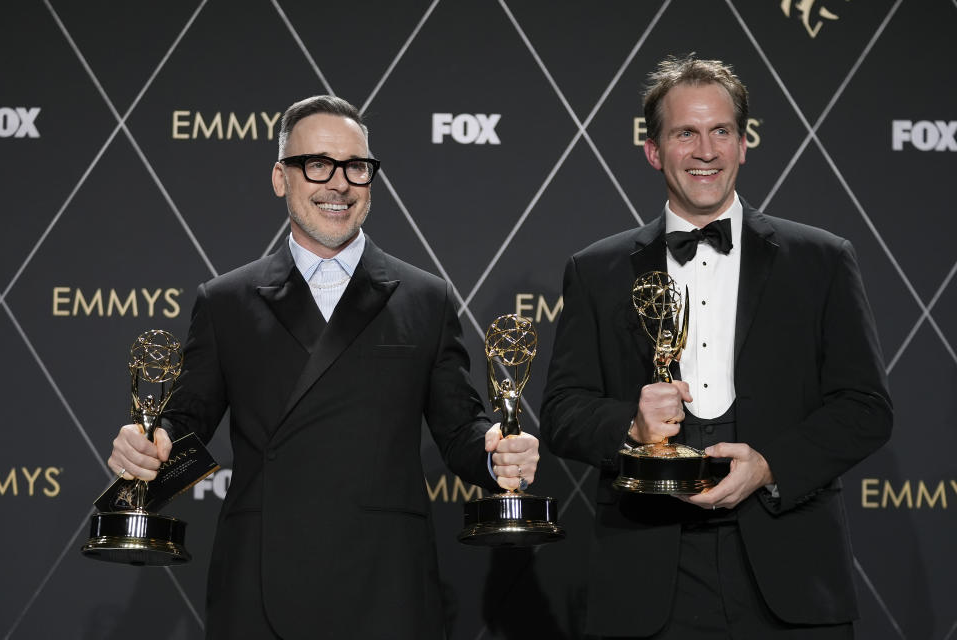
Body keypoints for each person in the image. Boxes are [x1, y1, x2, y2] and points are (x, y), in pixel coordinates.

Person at [107, 95, 540, 639]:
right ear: (279, 178)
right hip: (261, 583)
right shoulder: (226, 301)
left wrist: (499, 449)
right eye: (317, 164)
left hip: (386, 583)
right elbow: (186, 424)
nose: (339, 183)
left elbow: (459, 431)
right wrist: (148, 442)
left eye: (355, 167)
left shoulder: (427, 299)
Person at [540, 55, 892, 639]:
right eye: (685, 133)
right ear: (654, 151)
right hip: (648, 575)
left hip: (790, 571)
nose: (706, 151)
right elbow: (562, 412)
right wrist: (630, 422)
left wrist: (770, 466)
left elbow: (866, 408)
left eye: (721, 131)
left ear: (743, 144)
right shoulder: (597, 270)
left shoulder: (822, 260)